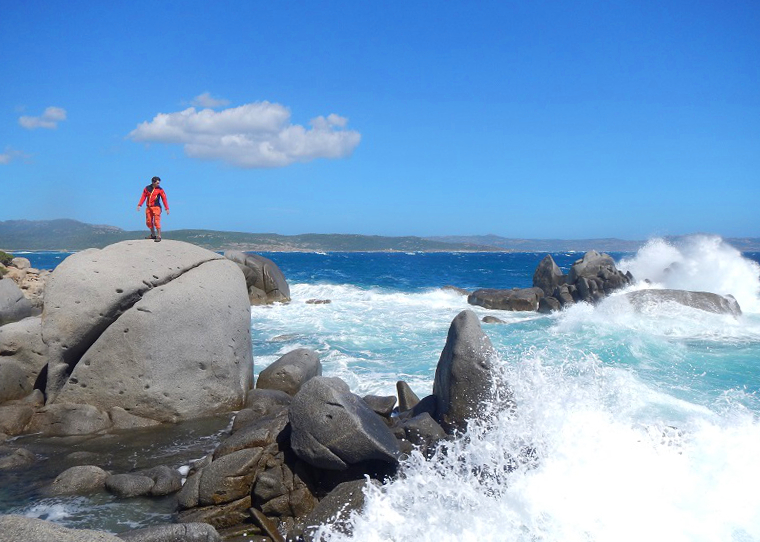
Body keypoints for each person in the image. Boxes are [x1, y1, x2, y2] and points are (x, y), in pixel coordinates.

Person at [137, 176, 169, 242]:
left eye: (159, 183)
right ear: (153, 182)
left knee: (156, 221)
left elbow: (164, 199)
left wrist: (167, 208)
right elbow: (143, 196)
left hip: (156, 207)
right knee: (148, 221)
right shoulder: (147, 188)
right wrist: (140, 204)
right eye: (157, 183)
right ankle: (153, 234)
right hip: (149, 207)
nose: (158, 184)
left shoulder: (160, 190)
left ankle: (159, 236)